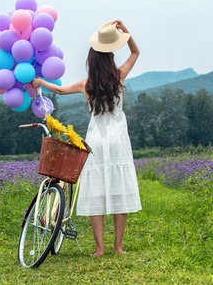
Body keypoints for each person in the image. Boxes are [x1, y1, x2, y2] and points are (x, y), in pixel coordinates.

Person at [32, 19, 142, 257]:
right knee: (118, 190)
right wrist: (125, 32)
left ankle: (99, 248)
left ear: (91, 62)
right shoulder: (119, 77)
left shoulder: (86, 84)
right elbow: (135, 52)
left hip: (96, 140)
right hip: (118, 139)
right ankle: (118, 247)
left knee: (96, 192)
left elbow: (59, 90)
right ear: (111, 59)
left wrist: (40, 82)